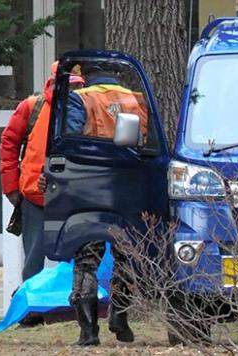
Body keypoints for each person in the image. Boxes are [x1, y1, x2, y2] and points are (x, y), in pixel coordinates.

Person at [41, 64, 146, 346]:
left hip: (89, 187)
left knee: (87, 258)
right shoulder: (134, 99)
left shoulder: (81, 98)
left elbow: (70, 142)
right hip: (127, 185)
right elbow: (145, 141)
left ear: (85, 76)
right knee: (126, 255)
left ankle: (88, 333)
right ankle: (120, 318)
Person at [0, 62, 62, 327]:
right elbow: (9, 143)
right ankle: (31, 312)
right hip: (36, 195)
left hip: (65, 196)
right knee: (34, 258)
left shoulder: (83, 106)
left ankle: (67, 309)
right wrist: (11, 187)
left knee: (70, 258)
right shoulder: (31, 107)